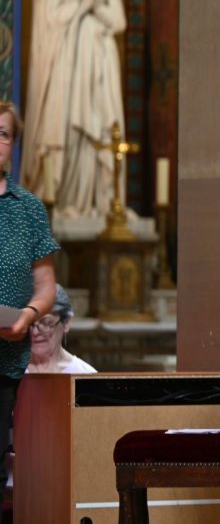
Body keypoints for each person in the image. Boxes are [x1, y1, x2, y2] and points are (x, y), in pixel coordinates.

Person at [21, 0, 127, 218]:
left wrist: (91, 9)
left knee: (97, 131)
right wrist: (83, 7)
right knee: (69, 129)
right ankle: (62, 199)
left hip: (97, 68)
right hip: (65, 70)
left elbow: (119, 19)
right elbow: (49, 21)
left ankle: (96, 200)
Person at [0, 100, 60, 481]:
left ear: (12, 145)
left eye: (3, 134)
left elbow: (45, 285)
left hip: (6, 358)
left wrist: (29, 314)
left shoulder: (30, 209)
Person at [26, 285, 97, 374]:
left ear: (66, 323)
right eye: (29, 322)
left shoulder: (84, 375)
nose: (35, 332)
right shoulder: (7, 373)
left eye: (46, 323)